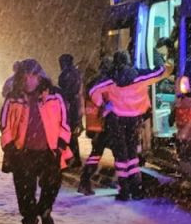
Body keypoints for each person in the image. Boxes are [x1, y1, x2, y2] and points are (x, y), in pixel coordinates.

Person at [0, 59, 72, 224]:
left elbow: (65, 122)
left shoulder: (55, 96)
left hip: (49, 151)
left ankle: (45, 209)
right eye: (25, 76)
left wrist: (60, 146)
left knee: (52, 184)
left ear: (40, 77)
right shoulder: (13, 98)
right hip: (23, 152)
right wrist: (10, 148)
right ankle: (30, 223)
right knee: (25, 191)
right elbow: (4, 125)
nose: (29, 81)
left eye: (33, 76)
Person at [89, 51, 173, 201]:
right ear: (128, 61)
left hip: (116, 120)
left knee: (121, 155)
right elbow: (160, 72)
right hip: (134, 119)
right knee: (132, 155)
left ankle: (124, 191)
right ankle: (136, 189)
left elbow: (93, 91)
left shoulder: (110, 79)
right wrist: (157, 57)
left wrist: (104, 105)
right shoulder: (139, 76)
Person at [77, 55, 114, 195]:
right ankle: (125, 185)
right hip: (106, 123)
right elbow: (105, 102)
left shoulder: (93, 81)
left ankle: (85, 181)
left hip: (95, 124)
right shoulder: (107, 82)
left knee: (96, 153)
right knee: (120, 154)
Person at [57, 53, 83, 170]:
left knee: (68, 133)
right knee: (72, 133)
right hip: (75, 105)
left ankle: (72, 158)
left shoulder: (67, 73)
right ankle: (73, 158)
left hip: (69, 106)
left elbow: (66, 90)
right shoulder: (75, 72)